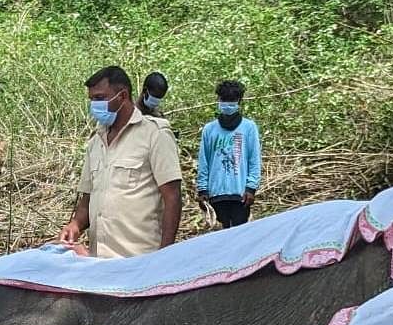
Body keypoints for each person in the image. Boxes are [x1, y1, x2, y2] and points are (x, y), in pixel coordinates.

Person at [58, 66, 183, 258]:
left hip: (139, 258)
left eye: (99, 98)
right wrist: (75, 224)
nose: (94, 105)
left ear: (122, 96)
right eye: (91, 99)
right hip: (98, 260)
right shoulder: (96, 142)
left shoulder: (155, 135)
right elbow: (88, 198)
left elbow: (172, 197)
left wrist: (163, 257)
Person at [194, 79, 262, 228]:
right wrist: (202, 189)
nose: (228, 104)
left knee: (239, 236)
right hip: (216, 194)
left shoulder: (249, 128)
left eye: (232, 101)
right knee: (220, 238)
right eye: (224, 100)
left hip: (240, 194)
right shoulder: (209, 130)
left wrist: (251, 188)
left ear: (239, 101)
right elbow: (204, 161)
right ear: (219, 100)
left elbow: (254, 160)